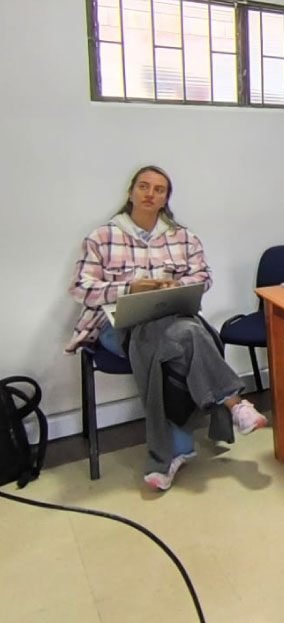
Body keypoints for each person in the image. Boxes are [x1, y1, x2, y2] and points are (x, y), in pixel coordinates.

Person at [66, 166, 268, 491]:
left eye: (159, 190)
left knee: (173, 342)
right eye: (144, 186)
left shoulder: (183, 237)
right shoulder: (103, 237)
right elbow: (80, 288)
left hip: (171, 326)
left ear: (165, 199)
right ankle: (234, 403)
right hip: (116, 326)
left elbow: (203, 278)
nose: (150, 194)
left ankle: (168, 456)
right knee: (184, 334)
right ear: (131, 192)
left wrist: (169, 286)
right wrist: (131, 290)